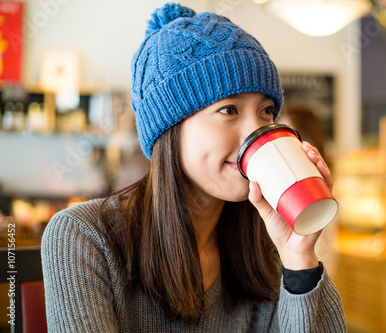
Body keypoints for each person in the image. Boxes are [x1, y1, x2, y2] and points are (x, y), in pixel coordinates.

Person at [41, 3, 346, 332]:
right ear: (169, 129)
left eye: (267, 111)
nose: (256, 133)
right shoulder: (84, 237)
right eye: (229, 109)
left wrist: (299, 257)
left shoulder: (269, 248)